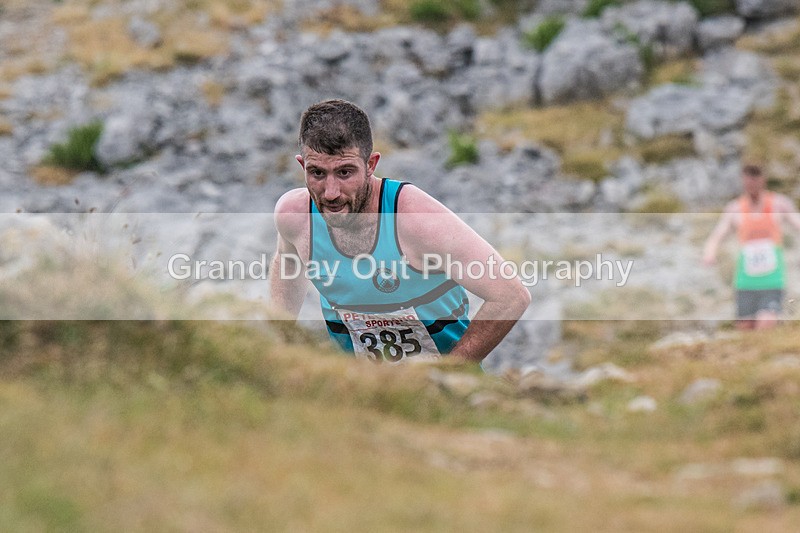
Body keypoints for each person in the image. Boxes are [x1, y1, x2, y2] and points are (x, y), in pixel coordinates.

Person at [269, 99, 531, 363]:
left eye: (345, 172)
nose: (331, 192)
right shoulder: (294, 216)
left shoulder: (416, 220)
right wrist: (277, 343)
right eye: (317, 173)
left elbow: (510, 295)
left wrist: (450, 373)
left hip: (440, 394)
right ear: (302, 166)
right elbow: (287, 263)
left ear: (371, 164)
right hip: (356, 394)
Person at [703, 164, 800, 329]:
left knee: (766, 322)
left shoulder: (779, 204)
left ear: (762, 180)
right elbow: (717, 235)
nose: (752, 183)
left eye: (755, 178)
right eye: (748, 179)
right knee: (745, 327)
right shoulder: (735, 209)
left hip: (772, 279)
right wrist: (709, 253)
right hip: (745, 281)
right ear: (743, 181)